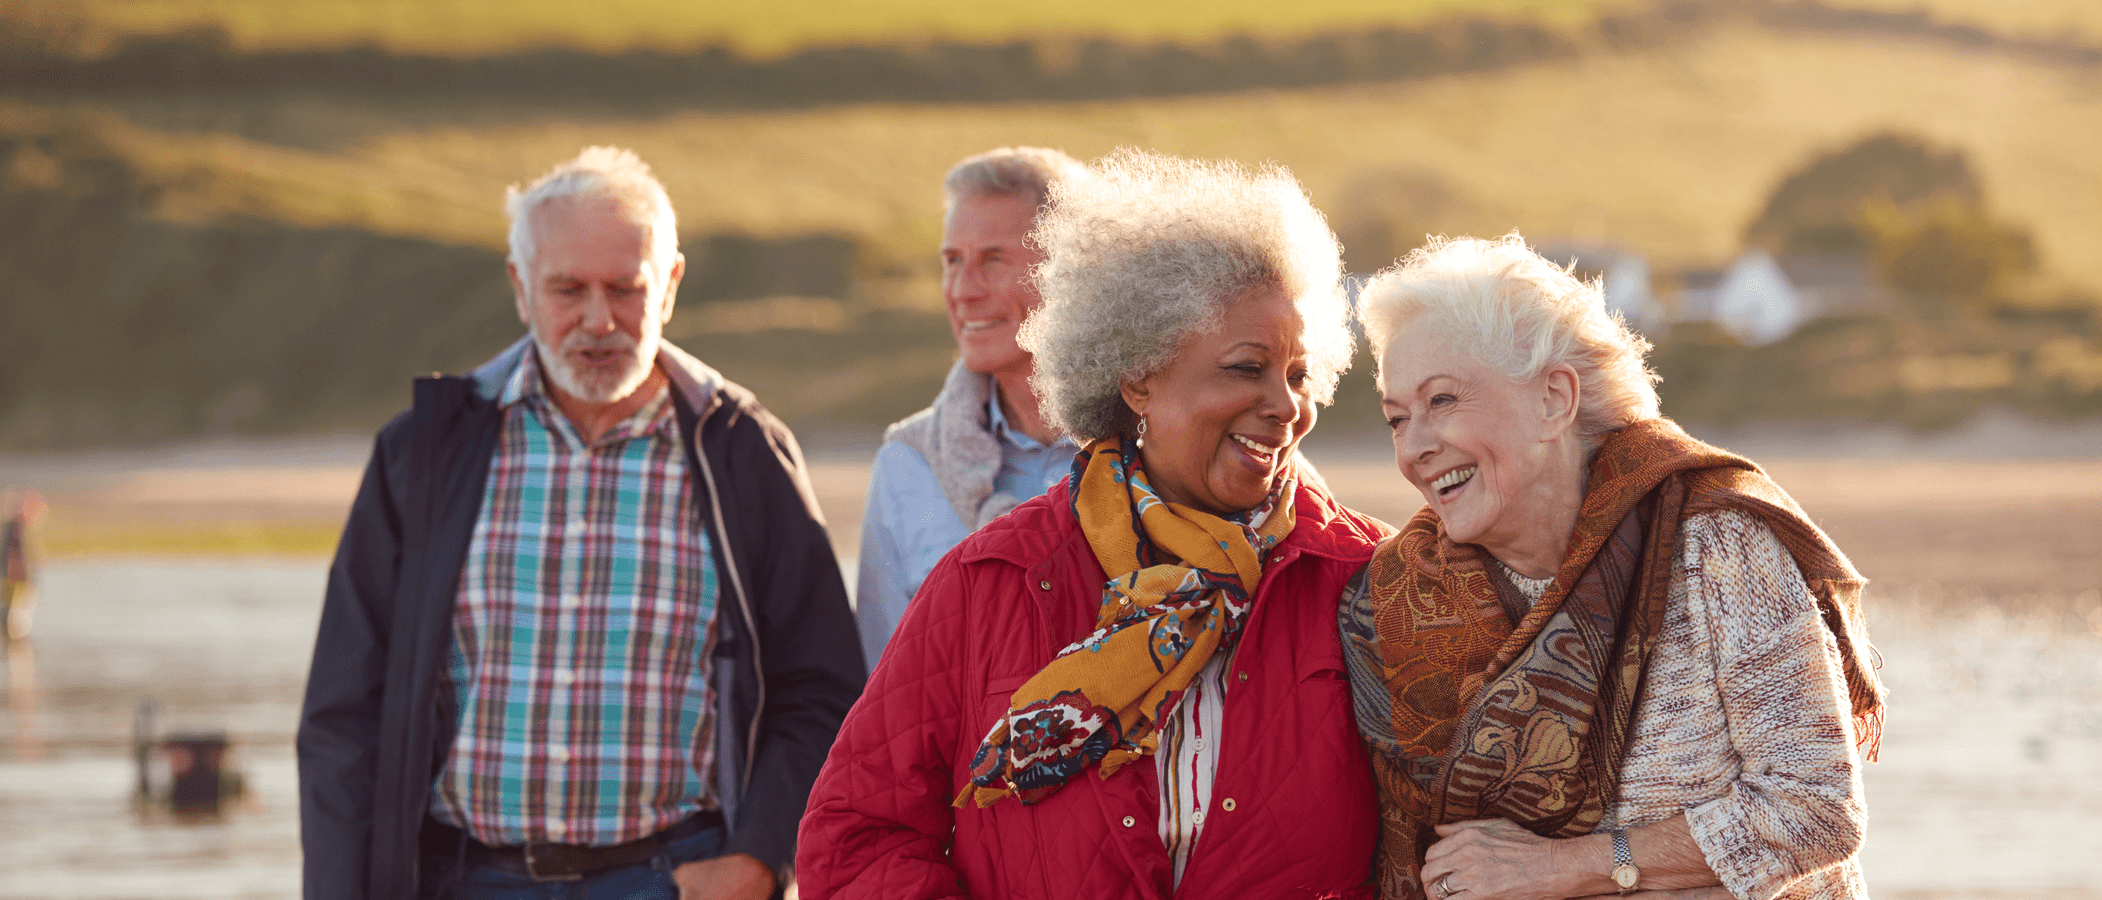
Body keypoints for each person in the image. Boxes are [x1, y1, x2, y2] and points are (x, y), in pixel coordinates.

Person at [798, 148, 1393, 899]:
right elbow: (856, 834)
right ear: (1139, 375)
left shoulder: (1368, 581)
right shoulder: (992, 580)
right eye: (1247, 368)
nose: (1287, 405)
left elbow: (1444, 839)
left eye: (1300, 374)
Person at [296, 147, 864, 900]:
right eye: (568, 289)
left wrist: (761, 859)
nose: (599, 321)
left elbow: (819, 688)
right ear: (520, 288)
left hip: (675, 879)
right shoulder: (426, 452)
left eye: (625, 289)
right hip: (461, 881)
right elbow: (345, 716)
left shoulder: (744, 453)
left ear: (669, 285)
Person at [1339, 234, 1884, 900]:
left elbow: (1814, 808)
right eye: (1397, 418)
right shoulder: (1397, 598)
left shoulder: (1712, 543)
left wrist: (1560, 869)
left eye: (1443, 402)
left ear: (1554, 400)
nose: (1417, 446)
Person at [855, 147, 1085, 667]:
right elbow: (881, 698)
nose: (961, 290)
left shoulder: (1171, 448)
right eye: (952, 261)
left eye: (992, 259)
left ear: (1074, 271)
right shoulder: (907, 465)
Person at [1, 489, 44, 640]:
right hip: (16, 574)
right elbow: (15, 551)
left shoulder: (17, 525)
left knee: (12, 609)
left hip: (15, 574)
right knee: (15, 610)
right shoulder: (16, 526)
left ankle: (12, 639)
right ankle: (15, 640)